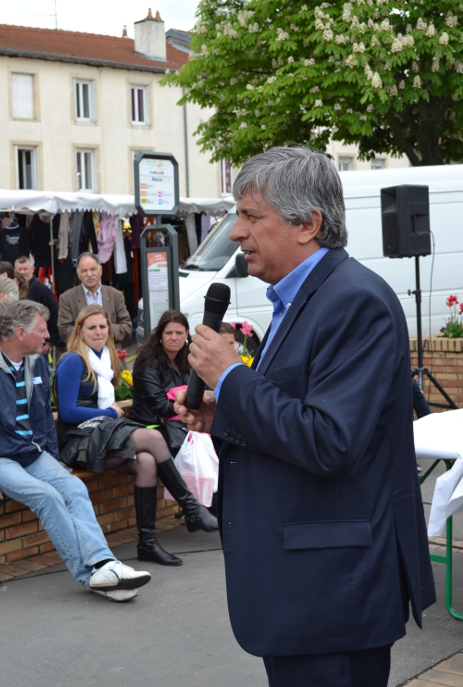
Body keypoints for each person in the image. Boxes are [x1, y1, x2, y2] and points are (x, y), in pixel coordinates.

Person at [176, 146, 435, 687]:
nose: (237, 232)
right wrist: (224, 412)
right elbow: (299, 417)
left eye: (250, 216)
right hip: (304, 592)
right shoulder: (303, 298)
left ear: (307, 224)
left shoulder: (353, 301)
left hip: (331, 596)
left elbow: (330, 441)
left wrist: (231, 376)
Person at [0, 301, 151, 603]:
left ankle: (105, 564)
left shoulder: (37, 360)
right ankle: (91, 576)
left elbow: (43, 417)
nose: (48, 336)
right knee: (47, 497)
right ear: (20, 333)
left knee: (73, 487)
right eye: (42, 330)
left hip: (33, 452)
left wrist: (54, 460)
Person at [55, 304, 218, 567]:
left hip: (101, 434)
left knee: (147, 462)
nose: (98, 332)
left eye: (102, 326)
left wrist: (109, 415)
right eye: (91, 327)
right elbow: (67, 413)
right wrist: (110, 412)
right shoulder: (74, 360)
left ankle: (148, 544)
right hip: (78, 440)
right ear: (79, 330)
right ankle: (192, 509)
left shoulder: (105, 360)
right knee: (153, 439)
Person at [131, 310, 191, 456]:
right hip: (151, 425)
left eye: (179, 332)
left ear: (187, 333)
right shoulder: (148, 361)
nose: (174, 338)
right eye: (168, 333)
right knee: (184, 453)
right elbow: (160, 405)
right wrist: (188, 405)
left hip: (181, 422)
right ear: (160, 335)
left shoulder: (190, 358)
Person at [58, 253, 131, 344]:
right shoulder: (67, 298)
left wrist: (105, 330)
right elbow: (64, 330)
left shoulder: (115, 295)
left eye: (93, 269)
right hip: (82, 354)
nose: (89, 274)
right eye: (84, 271)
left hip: (111, 354)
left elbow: (127, 326)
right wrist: (87, 333)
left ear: (100, 270)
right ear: (78, 273)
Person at [15, 255, 60, 352]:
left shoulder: (42, 290)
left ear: (32, 269)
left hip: (39, 345)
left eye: (25, 269)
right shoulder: (13, 289)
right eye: (20, 269)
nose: (23, 272)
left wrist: (51, 341)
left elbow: (55, 313)